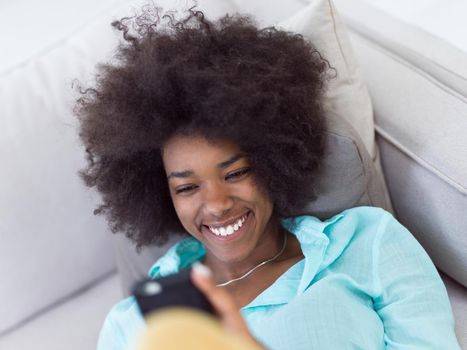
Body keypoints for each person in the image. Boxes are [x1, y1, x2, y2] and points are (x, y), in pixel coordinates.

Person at [75, 5, 460, 350]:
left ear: (274, 160)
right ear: (163, 195)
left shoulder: (369, 245)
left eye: (237, 172)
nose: (217, 204)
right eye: (188, 187)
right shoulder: (130, 325)